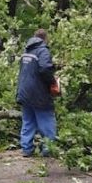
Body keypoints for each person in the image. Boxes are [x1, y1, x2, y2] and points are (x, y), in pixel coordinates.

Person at [16, 28, 57, 157]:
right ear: (45, 39)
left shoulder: (26, 51)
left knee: (28, 121)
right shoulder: (43, 51)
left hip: (24, 91)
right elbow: (45, 68)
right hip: (38, 92)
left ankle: (26, 149)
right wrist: (52, 82)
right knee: (46, 119)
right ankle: (48, 149)